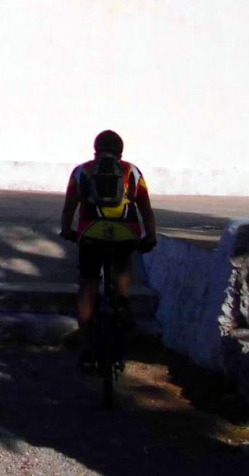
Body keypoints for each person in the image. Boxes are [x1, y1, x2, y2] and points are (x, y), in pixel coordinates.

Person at [59, 129, 157, 373]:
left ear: (96, 149)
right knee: (122, 264)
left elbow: (69, 207)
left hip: (90, 233)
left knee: (88, 285)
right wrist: (150, 236)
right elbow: (145, 208)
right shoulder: (132, 172)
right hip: (125, 233)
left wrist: (67, 230)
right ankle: (122, 301)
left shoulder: (81, 171)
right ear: (121, 151)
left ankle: (86, 349)